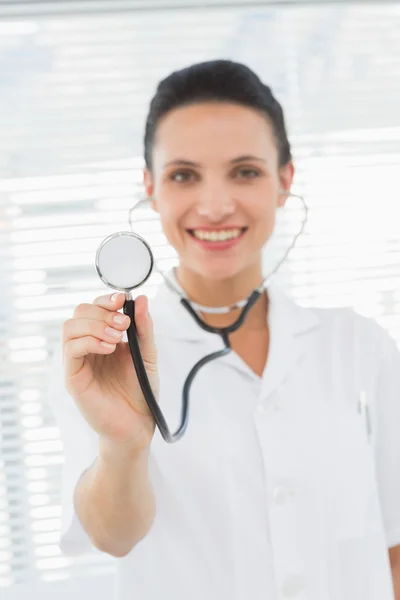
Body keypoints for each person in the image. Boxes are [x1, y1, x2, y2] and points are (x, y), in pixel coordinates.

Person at [49, 60, 400, 600]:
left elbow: (394, 550)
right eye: (184, 175)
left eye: (245, 171)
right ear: (151, 188)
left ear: (285, 181)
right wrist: (124, 443)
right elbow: (112, 537)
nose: (215, 206)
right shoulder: (100, 355)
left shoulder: (360, 347)